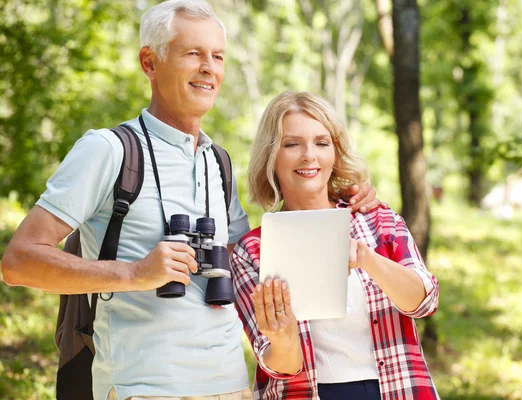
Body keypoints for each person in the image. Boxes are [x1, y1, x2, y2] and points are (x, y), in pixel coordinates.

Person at [0, 2, 380, 399]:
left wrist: (341, 198)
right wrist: (134, 275)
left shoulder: (218, 163)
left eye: (217, 56)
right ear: (150, 62)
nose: (209, 68)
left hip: (230, 384)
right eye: (193, 53)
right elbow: (19, 262)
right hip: (141, 385)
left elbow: (255, 262)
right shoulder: (108, 150)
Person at [231, 91, 440, 400]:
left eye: (321, 142)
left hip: (397, 389)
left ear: (335, 153)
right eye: (291, 144)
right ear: (271, 155)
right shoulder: (252, 251)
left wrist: (368, 259)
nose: (309, 156)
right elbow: (280, 366)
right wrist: (283, 337)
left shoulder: (376, 220)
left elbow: (424, 301)